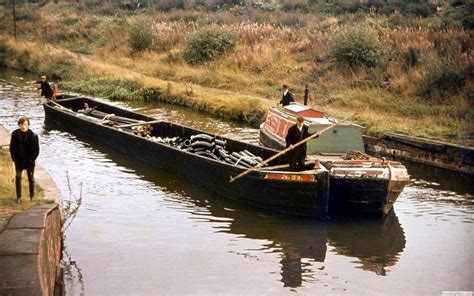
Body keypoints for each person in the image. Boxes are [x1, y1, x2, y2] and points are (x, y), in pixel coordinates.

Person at [9, 116, 40, 203]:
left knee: (31, 178)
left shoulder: (33, 136)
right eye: (21, 124)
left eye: (25, 124)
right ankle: (19, 197)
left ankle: (32, 196)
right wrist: (14, 159)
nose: (23, 126)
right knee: (18, 178)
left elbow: (36, 150)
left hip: (29, 161)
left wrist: (32, 160)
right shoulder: (15, 134)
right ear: (19, 125)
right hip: (19, 161)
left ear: (28, 125)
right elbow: (12, 148)